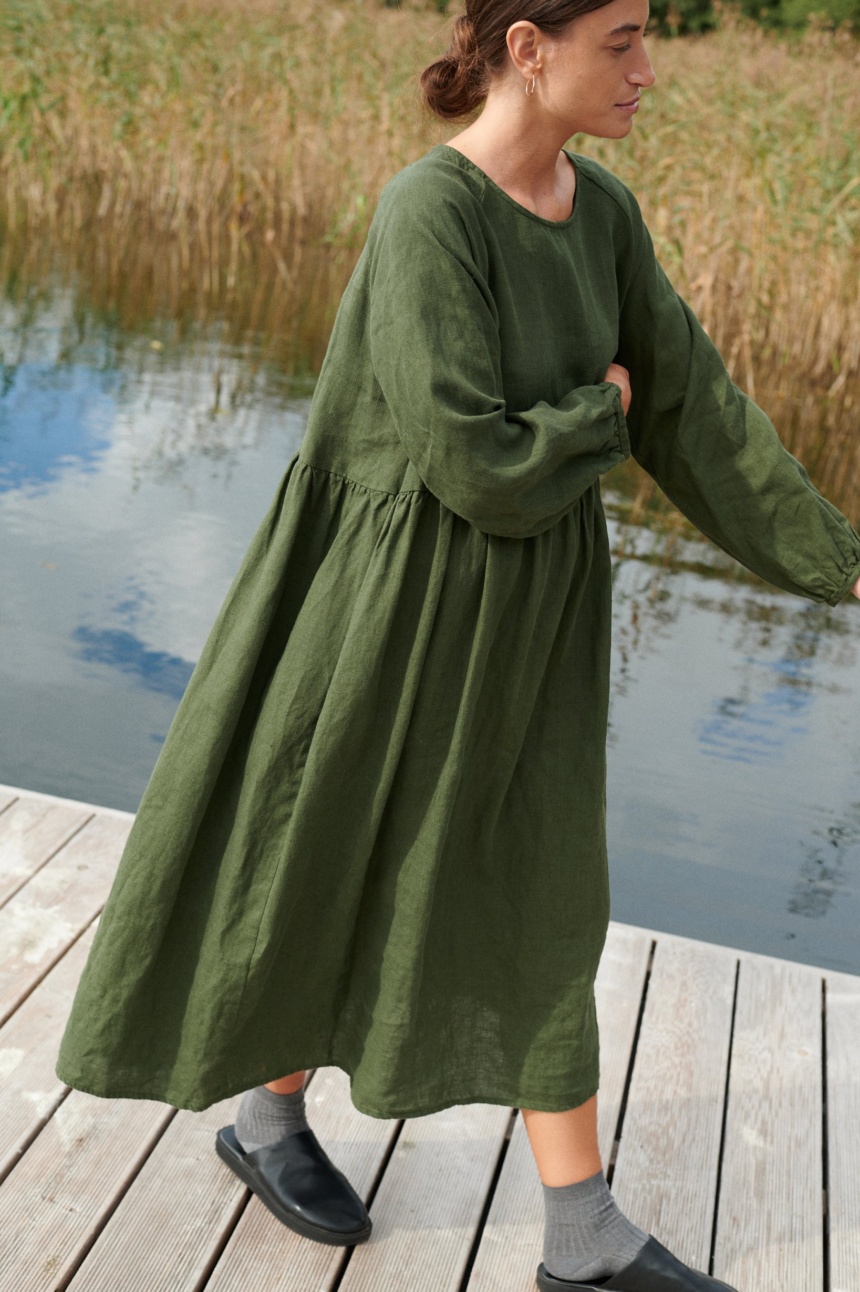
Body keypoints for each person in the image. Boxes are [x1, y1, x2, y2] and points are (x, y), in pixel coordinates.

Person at [56, 1, 860, 1288]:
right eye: (624, 41)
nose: (649, 71)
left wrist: (837, 561)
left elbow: (694, 403)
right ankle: (265, 1117)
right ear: (529, 46)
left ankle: (579, 1234)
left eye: (651, 39)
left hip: (531, 611)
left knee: (540, 877)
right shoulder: (426, 213)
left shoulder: (601, 216)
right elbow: (474, 462)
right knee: (332, 850)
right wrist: (598, 410)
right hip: (384, 604)